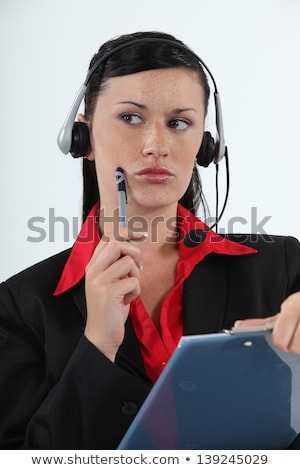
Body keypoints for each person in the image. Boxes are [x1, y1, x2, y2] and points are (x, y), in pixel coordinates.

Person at [0, 31, 300, 450]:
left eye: (179, 123)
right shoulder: (18, 306)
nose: (155, 146)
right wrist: (97, 345)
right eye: (130, 117)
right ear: (81, 138)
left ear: (206, 145)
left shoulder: (284, 267)